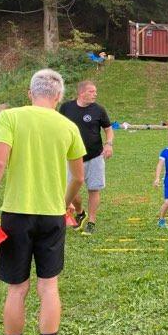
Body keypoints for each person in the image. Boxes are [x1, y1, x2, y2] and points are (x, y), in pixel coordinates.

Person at [0, 69, 86, 335]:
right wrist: (65, 203)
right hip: (51, 216)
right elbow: (78, 177)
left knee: (17, 289)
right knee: (48, 287)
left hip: (16, 215)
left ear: (30, 92)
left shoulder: (11, 118)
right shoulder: (68, 126)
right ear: (59, 96)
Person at [59, 81, 113, 236]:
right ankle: (80, 212)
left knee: (94, 189)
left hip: (94, 155)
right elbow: (58, 127)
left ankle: (91, 222)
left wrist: (109, 144)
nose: (95, 94)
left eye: (95, 91)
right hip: (72, 156)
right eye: (91, 91)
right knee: (71, 190)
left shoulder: (99, 110)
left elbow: (108, 129)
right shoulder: (66, 108)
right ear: (81, 93)